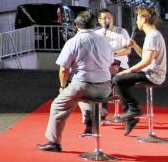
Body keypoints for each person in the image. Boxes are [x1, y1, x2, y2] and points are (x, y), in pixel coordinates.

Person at [37, 11, 113, 152]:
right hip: (106, 86)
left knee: (58, 106)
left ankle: (54, 142)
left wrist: (62, 86)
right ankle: (92, 116)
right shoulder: (104, 40)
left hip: (83, 84)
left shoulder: (73, 42)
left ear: (76, 25)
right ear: (95, 24)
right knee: (82, 96)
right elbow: (110, 63)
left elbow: (63, 70)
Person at [113, 8, 168, 136]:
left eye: (138, 18)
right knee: (121, 82)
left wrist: (128, 71)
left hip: (153, 75)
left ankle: (133, 109)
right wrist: (135, 46)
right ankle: (130, 115)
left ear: (144, 19)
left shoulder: (153, 36)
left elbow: (147, 61)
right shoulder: (152, 35)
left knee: (117, 79)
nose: (136, 21)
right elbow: (145, 56)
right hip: (151, 72)